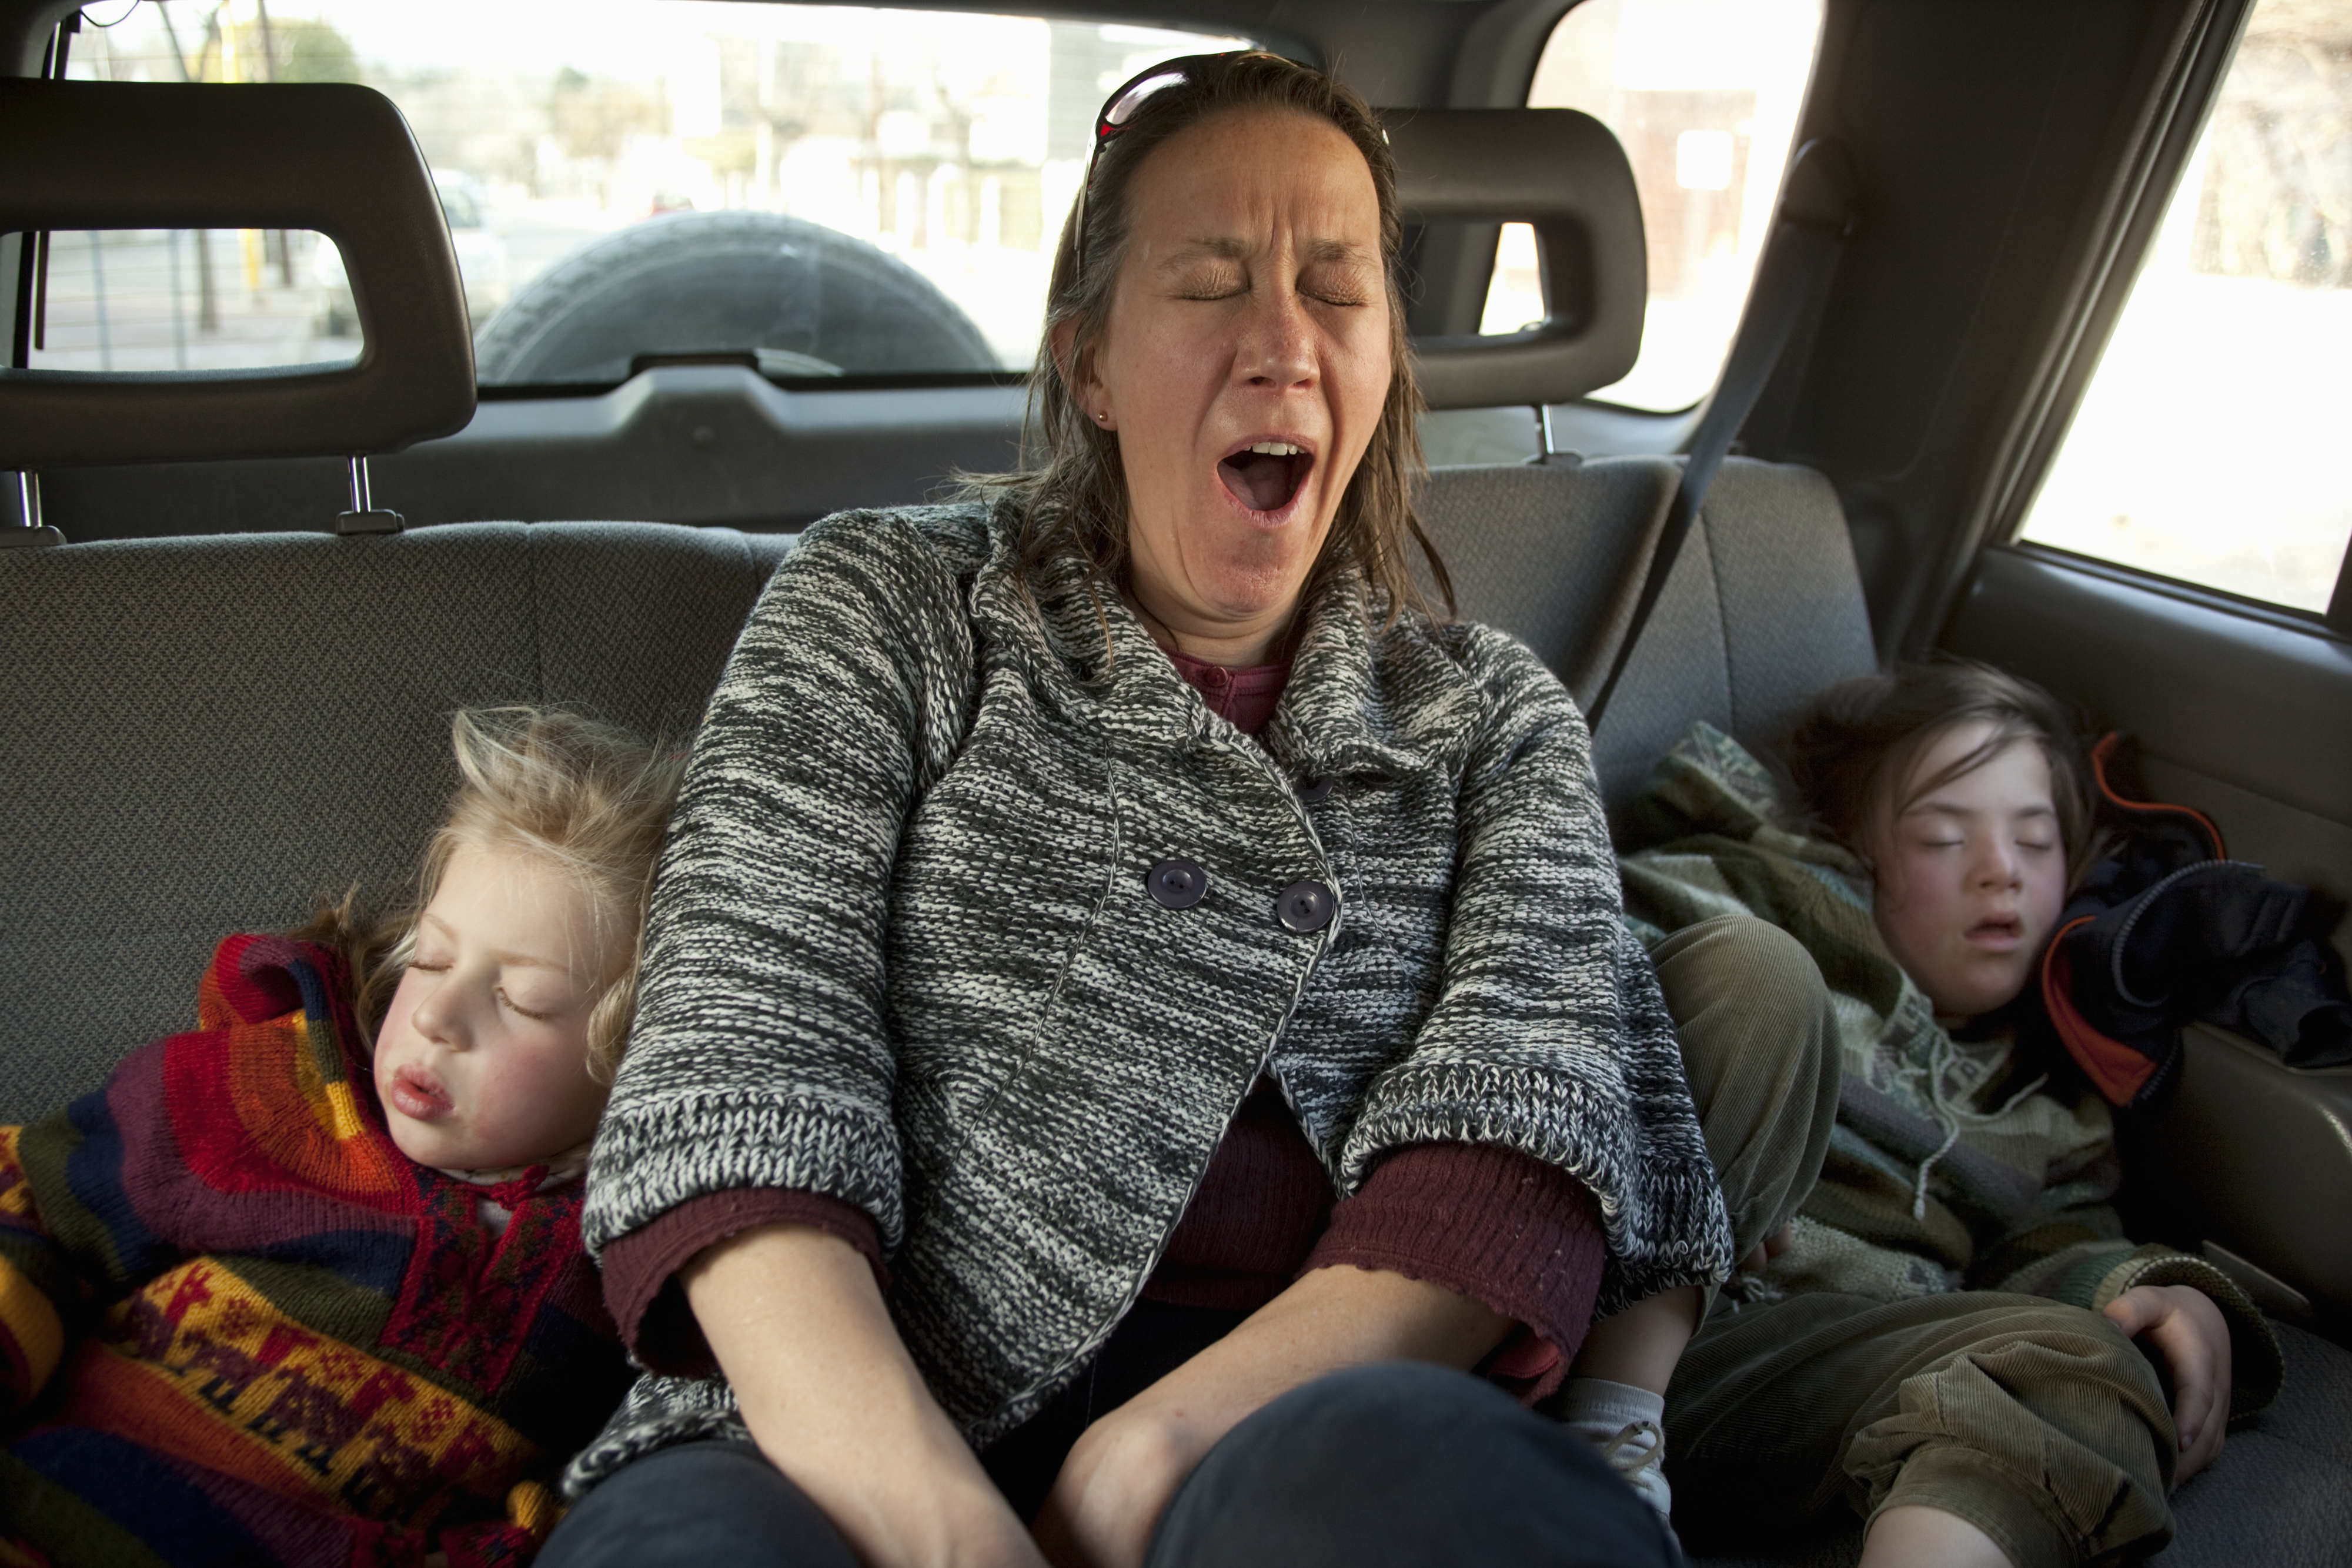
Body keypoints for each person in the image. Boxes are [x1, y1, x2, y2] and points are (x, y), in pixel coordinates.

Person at [544, 50, 1730, 1568]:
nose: (1284, 344)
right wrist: (949, 1527)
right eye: (1212, 283)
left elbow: (1526, 1137)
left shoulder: (1492, 718)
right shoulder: (884, 606)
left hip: (1305, 1401)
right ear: (1089, 363)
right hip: (834, 1408)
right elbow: (740, 1067)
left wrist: (1157, 1444)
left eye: (1337, 288)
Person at [1613, 660, 2286, 1568]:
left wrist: (2150, 1292)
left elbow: (2051, 1248)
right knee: (1756, 973)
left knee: (2086, 1368)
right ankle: (1598, 1456)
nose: (2000, 872)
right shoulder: (1742, 896)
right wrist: (1714, 1143)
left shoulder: (2042, 1112)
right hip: (1600, 1309)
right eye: (1941, 838)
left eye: (2036, 842)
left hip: (1788, 1378)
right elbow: (1580, 973)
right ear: (1858, 852)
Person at [0, 707, 683, 1566]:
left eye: (522, 1002)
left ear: (637, 1056)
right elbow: (34, 1193)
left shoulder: (630, 1255)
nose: (435, 1014)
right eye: (429, 960)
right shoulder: (271, 1097)